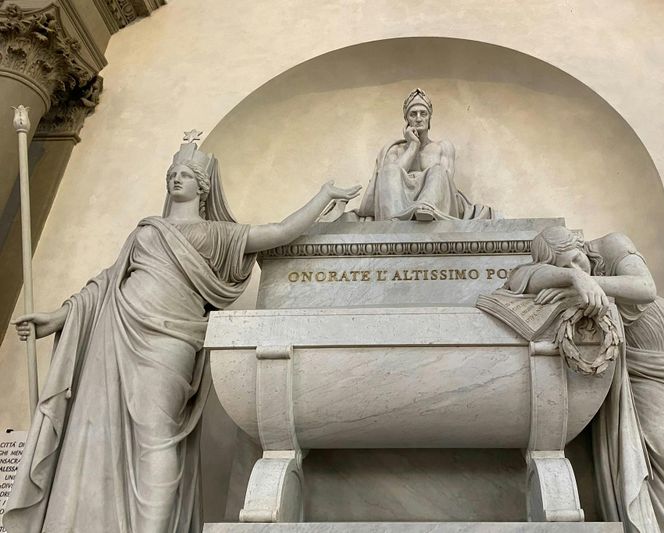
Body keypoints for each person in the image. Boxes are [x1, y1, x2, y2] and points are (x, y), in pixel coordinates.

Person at [2, 134, 361, 533]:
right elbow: (106, 284)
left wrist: (323, 195)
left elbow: (278, 232)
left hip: (170, 340)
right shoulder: (146, 230)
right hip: (117, 330)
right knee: (100, 431)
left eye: (186, 174)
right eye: (173, 172)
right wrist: (59, 316)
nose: (176, 178)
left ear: (202, 187)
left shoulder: (218, 234)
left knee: (157, 435)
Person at [503, 226, 664, 533]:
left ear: (581, 244)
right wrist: (573, 278)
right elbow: (519, 279)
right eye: (566, 266)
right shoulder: (565, 278)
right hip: (637, 366)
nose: (577, 267)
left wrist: (588, 282)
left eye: (577, 259)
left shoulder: (611, 245)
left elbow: (644, 287)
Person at [355, 88, 496, 221]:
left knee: (438, 171)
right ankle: (394, 219)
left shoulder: (443, 147)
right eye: (413, 114)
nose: (418, 118)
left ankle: (426, 208)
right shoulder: (395, 150)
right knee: (389, 169)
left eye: (423, 113)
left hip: (435, 203)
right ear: (407, 120)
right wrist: (413, 145)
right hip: (398, 204)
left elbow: (447, 185)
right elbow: (387, 181)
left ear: (429, 118)